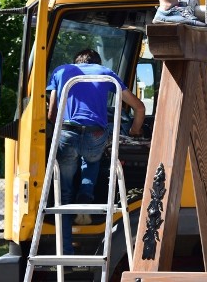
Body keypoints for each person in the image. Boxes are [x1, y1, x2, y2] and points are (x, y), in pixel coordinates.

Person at [46, 48, 146, 254]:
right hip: (96, 136)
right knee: (92, 160)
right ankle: (86, 196)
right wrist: (134, 131)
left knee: (63, 197)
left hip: (67, 133)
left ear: (77, 60)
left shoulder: (62, 72)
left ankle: (66, 251)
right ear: (97, 62)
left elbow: (52, 113)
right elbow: (139, 107)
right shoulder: (106, 74)